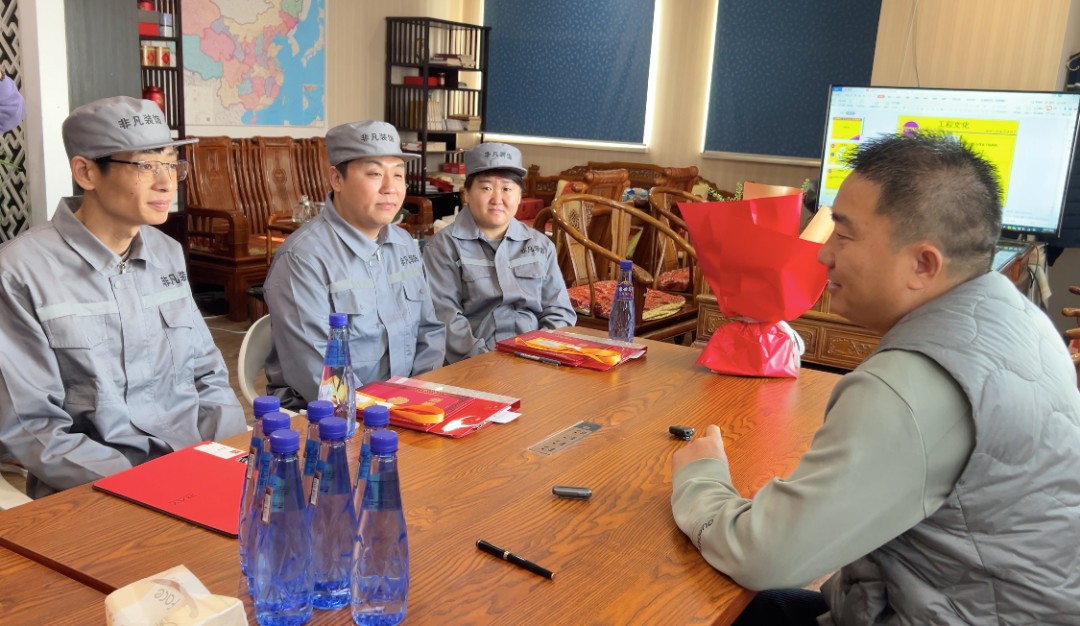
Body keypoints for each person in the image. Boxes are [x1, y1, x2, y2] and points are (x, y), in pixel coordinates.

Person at [671, 133, 1080, 625]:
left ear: (922, 264)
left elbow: (763, 556)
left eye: (843, 237)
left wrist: (701, 476)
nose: (823, 255)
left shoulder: (909, 385)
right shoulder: (1023, 317)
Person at [0, 96, 247, 498]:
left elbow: (207, 374)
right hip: (97, 490)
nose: (166, 182)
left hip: (198, 469)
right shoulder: (19, 271)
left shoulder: (166, 253)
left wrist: (224, 457)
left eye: (171, 163)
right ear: (86, 172)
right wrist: (148, 486)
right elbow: (33, 425)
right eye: (146, 165)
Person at [263, 120, 445, 410]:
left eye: (398, 174)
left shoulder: (404, 243)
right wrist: (382, 414)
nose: (390, 188)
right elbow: (320, 375)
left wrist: (422, 398)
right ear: (336, 179)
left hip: (409, 407)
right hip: (329, 419)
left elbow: (430, 331)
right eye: (374, 173)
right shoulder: (302, 258)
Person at [422, 142, 575, 363]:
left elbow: (559, 311)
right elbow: (445, 318)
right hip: (472, 365)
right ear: (466, 194)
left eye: (507, 189)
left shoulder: (541, 245)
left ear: (520, 196)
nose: (497, 199)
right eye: (486, 188)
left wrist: (540, 354)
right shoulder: (443, 247)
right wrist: (488, 362)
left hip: (536, 361)